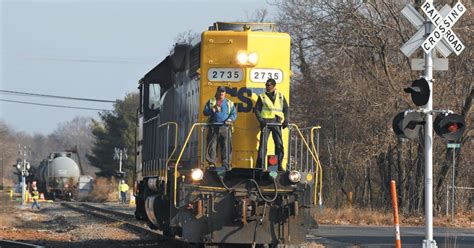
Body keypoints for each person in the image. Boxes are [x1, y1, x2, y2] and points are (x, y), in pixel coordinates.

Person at [254, 78, 289, 170]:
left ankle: (278, 165)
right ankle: (260, 165)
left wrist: (286, 120)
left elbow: (286, 109)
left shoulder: (281, 96)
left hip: (277, 122)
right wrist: (261, 120)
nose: (267, 87)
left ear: (274, 86)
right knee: (263, 145)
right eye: (266, 85)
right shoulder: (262, 96)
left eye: (268, 85)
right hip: (266, 123)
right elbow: (257, 109)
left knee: (279, 144)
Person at [203, 86, 237, 170]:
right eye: (220, 91)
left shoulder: (229, 103)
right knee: (212, 145)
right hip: (213, 126)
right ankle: (211, 163)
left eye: (223, 92)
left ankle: (225, 163)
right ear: (217, 92)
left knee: (226, 145)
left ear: (225, 93)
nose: (221, 93)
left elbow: (234, 114)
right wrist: (212, 110)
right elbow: (205, 112)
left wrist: (230, 119)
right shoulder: (211, 101)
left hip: (225, 127)